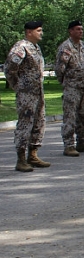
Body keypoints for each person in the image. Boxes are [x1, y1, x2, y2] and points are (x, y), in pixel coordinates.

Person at [4, 21, 50, 172]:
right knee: (25, 124)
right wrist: (17, 85)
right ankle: (21, 159)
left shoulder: (36, 48)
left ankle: (33, 155)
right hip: (26, 94)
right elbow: (10, 68)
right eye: (38, 30)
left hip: (38, 92)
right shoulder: (21, 47)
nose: (41, 33)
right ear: (29, 32)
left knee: (39, 122)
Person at [55, 20, 84, 157]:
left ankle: (82, 141)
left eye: (81, 29)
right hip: (72, 87)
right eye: (78, 29)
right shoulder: (65, 47)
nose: (81, 31)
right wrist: (66, 82)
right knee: (70, 116)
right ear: (71, 31)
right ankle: (68, 145)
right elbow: (59, 69)